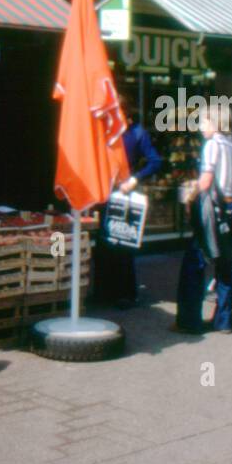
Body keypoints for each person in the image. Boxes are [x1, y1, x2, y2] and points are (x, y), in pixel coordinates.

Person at [174, 104, 232, 333]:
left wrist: (189, 197)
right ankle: (223, 321)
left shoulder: (212, 145)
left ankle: (189, 321)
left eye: (203, 121)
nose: (200, 127)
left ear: (214, 123)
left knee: (194, 264)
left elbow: (205, 182)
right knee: (225, 265)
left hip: (213, 212)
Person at [95, 96, 163, 307]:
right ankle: (103, 291)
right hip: (106, 192)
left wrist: (134, 179)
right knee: (104, 242)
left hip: (123, 191)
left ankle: (125, 292)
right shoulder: (106, 131)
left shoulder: (137, 133)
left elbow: (155, 161)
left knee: (123, 241)